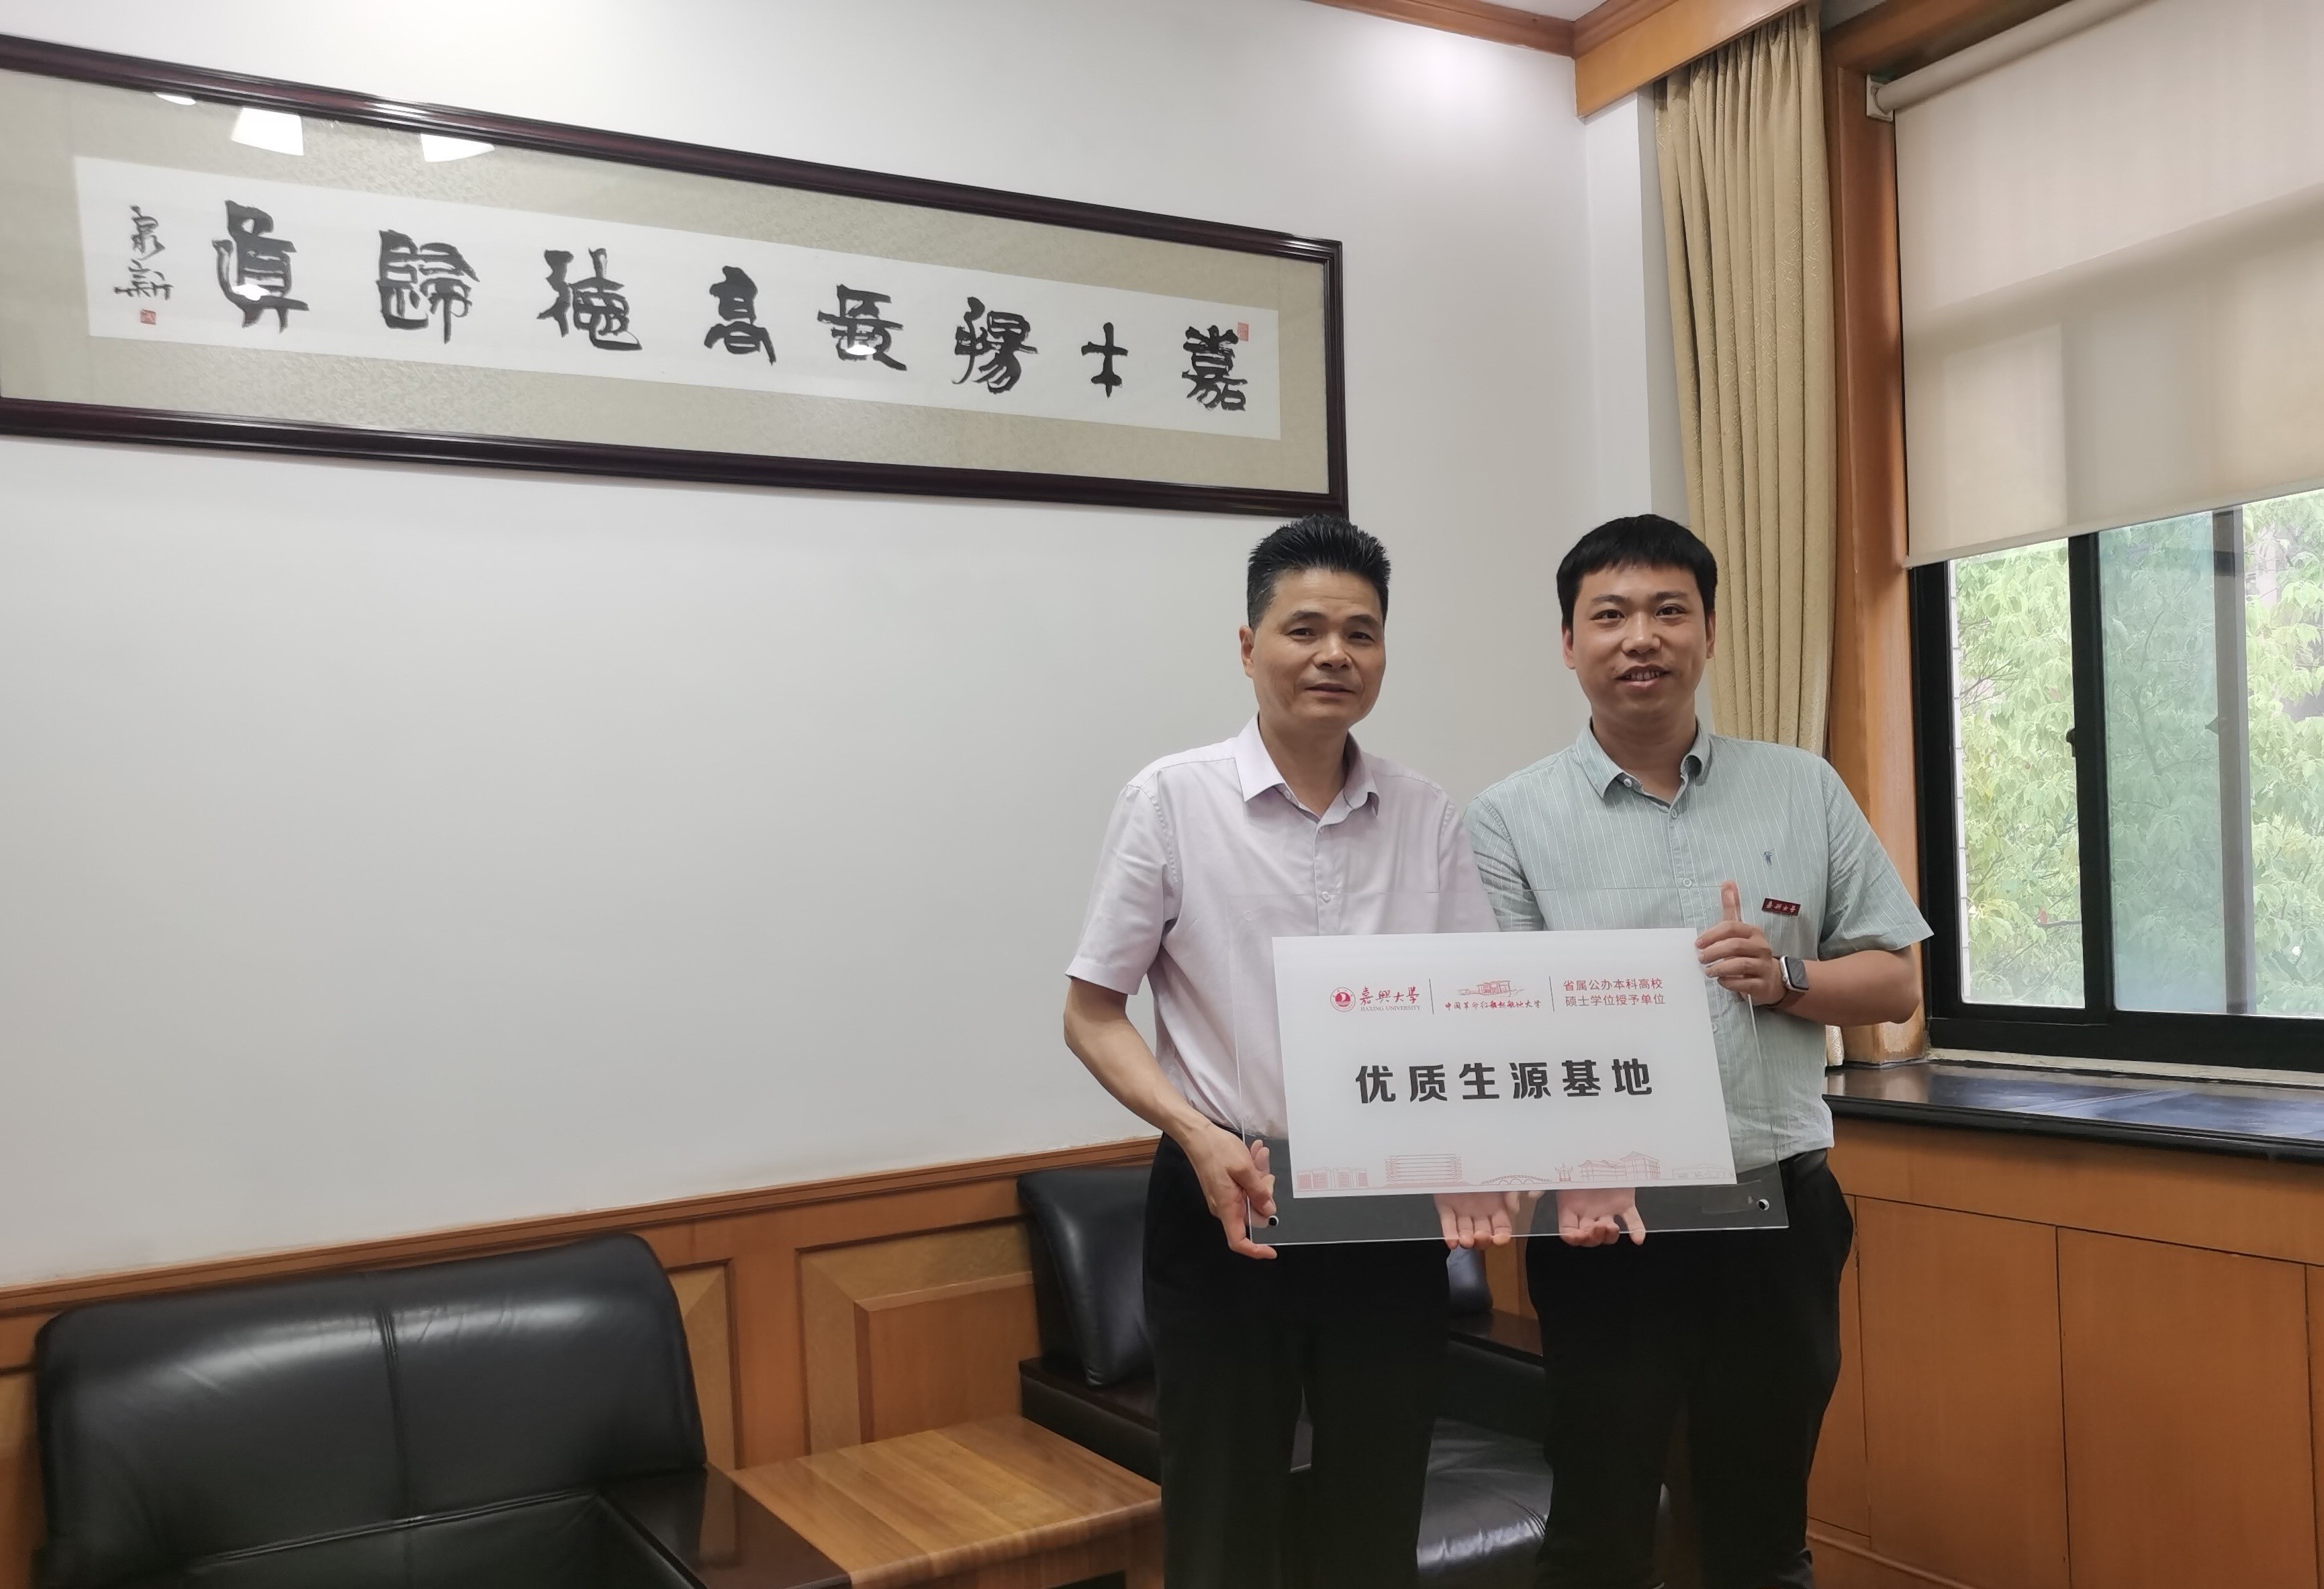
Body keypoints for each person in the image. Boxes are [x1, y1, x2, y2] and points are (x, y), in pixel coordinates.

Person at [1465, 514, 1928, 1589]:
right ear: (1568, 642)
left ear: (1708, 633)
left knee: (1761, 1534)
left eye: (1668, 610)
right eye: (1610, 614)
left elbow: (1896, 980)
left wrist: (1788, 976)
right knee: (1598, 1531)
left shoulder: (1801, 786)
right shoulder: (1506, 818)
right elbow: (1504, 1025)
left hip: (1773, 1208)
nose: (1641, 636)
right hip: (1602, 1224)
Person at [1062, 514, 1505, 1589]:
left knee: (1374, 1511)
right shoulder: (1172, 799)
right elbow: (1091, 1011)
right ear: (1248, 643)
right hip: (1230, 1194)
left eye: (1361, 632)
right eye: (1303, 629)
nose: (1333, 654)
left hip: (1389, 1205)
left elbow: (1473, 1010)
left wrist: (1483, 1152)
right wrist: (1193, 1133)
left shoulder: (1425, 815)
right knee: (1224, 1519)